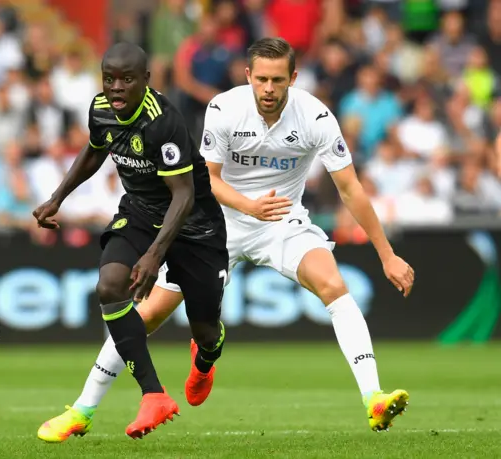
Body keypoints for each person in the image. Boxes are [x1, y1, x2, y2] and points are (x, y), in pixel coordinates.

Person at [39, 37, 415, 441]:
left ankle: (373, 398)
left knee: (334, 286)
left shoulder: (317, 118)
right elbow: (207, 181)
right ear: (248, 76)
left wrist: (387, 254)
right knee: (143, 315)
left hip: (283, 223)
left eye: (278, 80)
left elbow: (351, 189)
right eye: (261, 80)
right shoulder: (224, 109)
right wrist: (249, 206)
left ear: (293, 78)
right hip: (215, 226)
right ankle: (83, 410)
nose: (269, 89)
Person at [33, 42, 229, 439]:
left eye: (126, 80)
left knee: (206, 330)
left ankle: (206, 356)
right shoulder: (100, 109)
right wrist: (57, 197)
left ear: (146, 81)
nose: (116, 88)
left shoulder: (164, 122)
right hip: (140, 211)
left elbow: (184, 195)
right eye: (109, 79)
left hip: (195, 226)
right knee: (109, 287)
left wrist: (155, 254)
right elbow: (94, 151)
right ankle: (153, 394)